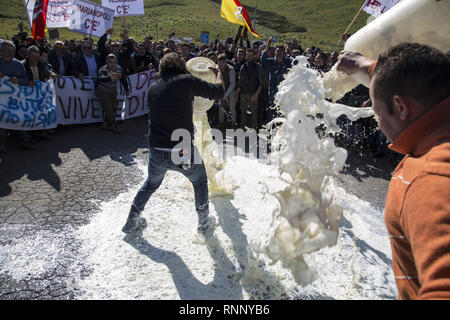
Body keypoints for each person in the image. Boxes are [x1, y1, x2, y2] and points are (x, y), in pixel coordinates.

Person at [336, 42, 450, 300]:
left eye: (376, 112)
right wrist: (370, 67)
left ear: (400, 107)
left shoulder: (432, 178)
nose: (378, 123)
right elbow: (416, 79)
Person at [122, 53, 225, 234]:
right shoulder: (186, 81)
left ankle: (131, 220)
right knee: (200, 181)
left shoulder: (153, 88)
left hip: (155, 149)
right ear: (181, 66)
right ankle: (203, 223)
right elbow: (218, 92)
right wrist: (219, 72)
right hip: (181, 149)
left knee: (151, 184)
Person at [0, 40, 33, 151]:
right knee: (3, 120)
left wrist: (17, 80)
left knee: (20, 117)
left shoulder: (18, 64)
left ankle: (23, 140)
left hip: (17, 99)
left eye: (13, 51)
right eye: (7, 51)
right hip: (2, 100)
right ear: (1, 51)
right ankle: (2, 143)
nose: (10, 53)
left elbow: (26, 80)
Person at [94, 54, 129, 133]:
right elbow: (101, 79)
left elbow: (123, 79)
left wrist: (127, 89)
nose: (113, 64)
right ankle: (114, 126)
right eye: (110, 62)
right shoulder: (103, 70)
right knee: (109, 108)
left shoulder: (119, 69)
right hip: (101, 91)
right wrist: (109, 78)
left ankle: (106, 124)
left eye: (114, 62)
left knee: (113, 107)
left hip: (112, 90)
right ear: (107, 62)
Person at [261, 38, 293, 123]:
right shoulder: (271, 62)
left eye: (281, 51)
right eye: (277, 51)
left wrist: (289, 49)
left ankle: (282, 132)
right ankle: (271, 131)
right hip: (273, 92)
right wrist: (268, 45)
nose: (278, 53)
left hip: (284, 93)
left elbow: (296, 62)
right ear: (275, 53)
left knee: (283, 112)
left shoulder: (288, 62)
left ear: (284, 53)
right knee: (272, 111)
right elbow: (263, 59)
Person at [236, 48, 264, 130]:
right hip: (243, 93)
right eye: (247, 55)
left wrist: (256, 94)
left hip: (253, 93)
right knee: (243, 112)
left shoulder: (258, 66)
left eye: (251, 55)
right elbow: (240, 82)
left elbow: (261, 83)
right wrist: (237, 95)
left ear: (254, 56)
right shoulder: (243, 66)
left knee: (254, 113)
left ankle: (255, 129)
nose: (249, 57)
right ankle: (242, 127)